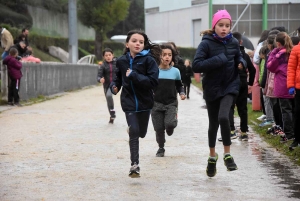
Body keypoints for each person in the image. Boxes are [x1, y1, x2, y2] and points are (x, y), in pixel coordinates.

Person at [192, 9, 246, 177]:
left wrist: (241, 63)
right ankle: (212, 156)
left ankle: (227, 154)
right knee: (213, 124)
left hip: (230, 85)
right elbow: (196, 65)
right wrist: (219, 60)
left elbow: (239, 57)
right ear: (214, 26)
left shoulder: (233, 42)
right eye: (221, 25)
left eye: (227, 26)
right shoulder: (206, 43)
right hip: (212, 88)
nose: (224, 29)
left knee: (224, 117)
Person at [110, 30, 161, 178]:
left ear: (144, 45)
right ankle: (134, 165)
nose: (137, 43)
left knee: (142, 133)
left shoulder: (149, 61)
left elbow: (153, 82)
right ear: (127, 44)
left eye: (141, 42)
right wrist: (114, 87)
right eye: (134, 41)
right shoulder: (121, 61)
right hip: (129, 102)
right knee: (134, 132)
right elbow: (118, 79)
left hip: (145, 102)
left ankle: (135, 130)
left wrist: (134, 75)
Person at [218, 31, 256, 142]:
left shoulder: (228, 52)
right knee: (242, 108)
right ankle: (244, 132)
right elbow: (252, 70)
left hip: (231, 83)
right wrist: (250, 84)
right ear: (241, 42)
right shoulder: (244, 55)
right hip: (243, 83)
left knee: (229, 106)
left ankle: (231, 131)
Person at [152, 44, 186, 157]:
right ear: (159, 56)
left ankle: (170, 126)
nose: (167, 57)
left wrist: (182, 93)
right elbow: (149, 85)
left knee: (169, 124)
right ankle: (161, 148)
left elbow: (179, 85)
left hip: (171, 103)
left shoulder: (175, 71)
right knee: (158, 128)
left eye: (169, 55)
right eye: (164, 55)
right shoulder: (154, 71)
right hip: (156, 104)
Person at [267, 32, 294, 143]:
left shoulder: (279, 56)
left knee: (286, 111)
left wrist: (274, 53)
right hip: (294, 84)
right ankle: (295, 132)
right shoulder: (292, 51)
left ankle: (288, 133)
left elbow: (270, 67)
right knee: (294, 110)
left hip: (283, 86)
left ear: (278, 43)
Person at [97, 48, 117, 123]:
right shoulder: (102, 66)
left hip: (115, 84)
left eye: (109, 55)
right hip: (107, 85)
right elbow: (98, 76)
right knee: (108, 97)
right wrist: (100, 79)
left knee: (109, 96)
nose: (108, 57)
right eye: (106, 55)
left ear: (112, 55)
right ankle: (112, 114)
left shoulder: (117, 63)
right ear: (104, 57)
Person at [287, 37, 300, 150]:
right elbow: (291, 68)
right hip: (298, 87)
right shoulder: (296, 49)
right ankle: (297, 139)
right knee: (297, 112)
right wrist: (291, 86)